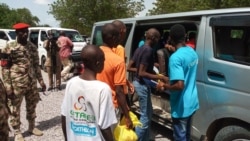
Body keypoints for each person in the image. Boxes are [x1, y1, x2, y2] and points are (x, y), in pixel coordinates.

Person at [1, 22, 46, 141]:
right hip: (16, 84)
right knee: (15, 108)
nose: (25, 34)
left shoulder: (32, 47)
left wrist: (41, 81)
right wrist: (8, 87)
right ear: (16, 33)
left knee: (32, 105)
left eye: (26, 31)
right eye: (22, 32)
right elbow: (5, 68)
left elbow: (36, 66)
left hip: (31, 82)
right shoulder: (9, 47)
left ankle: (32, 127)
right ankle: (17, 132)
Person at [61, 45, 117, 141]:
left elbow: (64, 116)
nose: (104, 62)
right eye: (103, 60)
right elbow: (105, 127)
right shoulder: (103, 89)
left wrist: (67, 138)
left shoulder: (71, 83)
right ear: (98, 63)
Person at [156, 24, 199, 141]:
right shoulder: (192, 52)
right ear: (185, 36)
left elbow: (179, 85)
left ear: (170, 38)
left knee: (180, 137)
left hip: (181, 106)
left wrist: (164, 85)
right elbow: (186, 74)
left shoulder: (175, 58)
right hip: (192, 102)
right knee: (187, 136)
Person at [127, 28, 168, 141]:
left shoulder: (139, 49)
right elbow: (142, 72)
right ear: (154, 38)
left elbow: (129, 67)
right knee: (145, 118)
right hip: (142, 84)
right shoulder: (148, 50)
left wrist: (150, 67)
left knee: (148, 114)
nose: (158, 41)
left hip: (139, 82)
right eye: (158, 39)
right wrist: (160, 77)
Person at [96, 23, 133, 130]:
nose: (120, 39)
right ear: (113, 38)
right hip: (110, 105)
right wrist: (127, 116)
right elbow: (119, 91)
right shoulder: (117, 60)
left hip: (94, 102)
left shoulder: (93, 54)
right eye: (118, 36)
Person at [111, 20, 134, 105]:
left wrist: (127, 82)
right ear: (121, 31)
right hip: (119, 92)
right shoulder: (120, 48)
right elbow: (119, 72)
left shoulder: (104, 48)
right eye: (125, 31)